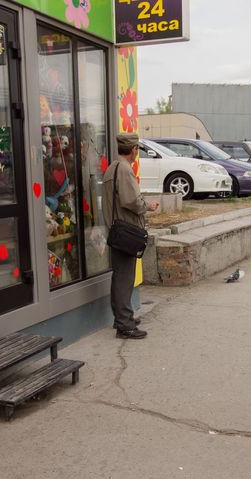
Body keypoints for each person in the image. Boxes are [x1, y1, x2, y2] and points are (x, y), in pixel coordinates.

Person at [102, 133, 159, 339]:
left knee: (121, 276)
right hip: (125, 231)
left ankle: (123, 318)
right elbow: (131, 201)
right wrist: (148, 206)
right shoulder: (125, 170)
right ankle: (124, 325)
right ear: (134, 149)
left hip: (118, 230)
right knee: (124, 278)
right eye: (137, 150)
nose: (137, 154)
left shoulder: (113, 168)